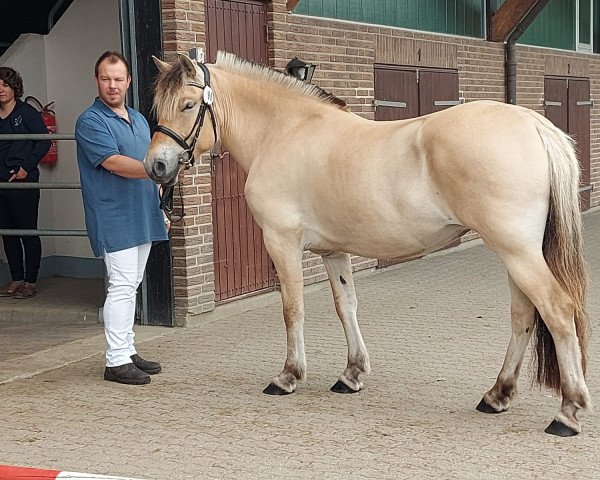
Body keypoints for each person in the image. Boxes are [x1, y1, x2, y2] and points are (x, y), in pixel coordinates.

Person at [75, 51, 169, 385]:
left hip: (143, 213)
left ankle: (126, 350)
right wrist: (156, 169)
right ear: (96, 81)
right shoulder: (90, 121)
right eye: (106, 78)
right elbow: (113, 162)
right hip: (113, 215)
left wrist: (161, 206)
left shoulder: (139, 119)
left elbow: (149, 163)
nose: (112, 85)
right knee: (122, 285)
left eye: (118, 79)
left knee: (132, 285)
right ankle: (115, 361)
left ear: (128, 82)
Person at [0, 67, 51, 299]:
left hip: (23, 181)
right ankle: (17, 279)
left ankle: (30, 281)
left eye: (6, 85)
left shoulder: (27, 113)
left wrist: (25, 168)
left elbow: (43, 142)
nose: (1, 89)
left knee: (28, 232)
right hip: (1, 183)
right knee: (8, 233)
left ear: (14, 88)